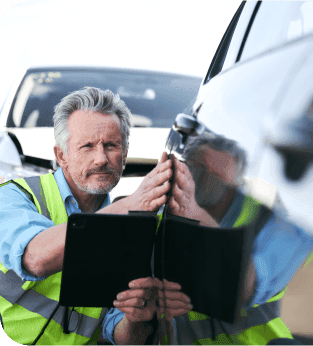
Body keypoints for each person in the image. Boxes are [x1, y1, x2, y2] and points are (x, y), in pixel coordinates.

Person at [0, 87, 191, 345]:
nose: (101, 159)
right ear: (61, 156)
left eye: (111, 145)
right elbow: (35, 258)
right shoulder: (13, 197)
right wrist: (131, 205)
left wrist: (136, 317)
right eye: (87, 146)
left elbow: (119, 337)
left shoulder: (134, 232)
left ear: (124, 155)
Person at [166, 132, 313, 345]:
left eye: (217, 181)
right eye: (197, 173)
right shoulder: (168, 221)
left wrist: (194, 214)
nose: (202, 186)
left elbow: (240, 287)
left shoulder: (287, 231)